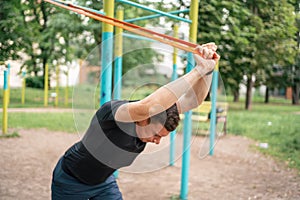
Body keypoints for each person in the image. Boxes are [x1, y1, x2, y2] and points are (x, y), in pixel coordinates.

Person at [51, 43, 220, 200]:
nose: (157, 141)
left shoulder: (162, 114)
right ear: (145, 119)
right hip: (70, 180)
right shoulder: (114, 114)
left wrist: (208, 69)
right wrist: (198, 70)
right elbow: (148, 106)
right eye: (156, 134)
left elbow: (194, 100)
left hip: (103, 183)